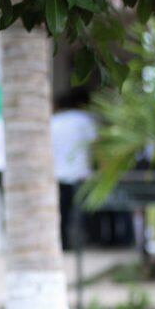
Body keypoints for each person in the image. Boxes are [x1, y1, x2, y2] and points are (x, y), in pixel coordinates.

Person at [50, 91, 97, 252]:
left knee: (61, 212)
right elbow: (96, 145)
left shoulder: (53, 121)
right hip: (81, 174)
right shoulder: (85, 119)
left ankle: (63, 243)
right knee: (84, 212)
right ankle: (86, 243)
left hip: (58, 174)